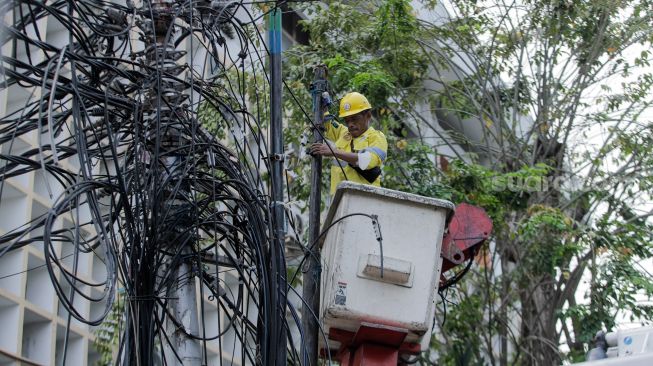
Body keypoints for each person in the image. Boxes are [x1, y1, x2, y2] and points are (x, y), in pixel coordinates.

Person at [310, 92, 388, 195]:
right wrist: (322, 105)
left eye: (355, 119)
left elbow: (366, 160)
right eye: (347, 120)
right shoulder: (344, 133)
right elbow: (326, 123)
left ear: (368, 116)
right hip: (339, 198)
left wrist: (334, 151)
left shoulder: (376, 137)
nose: (350, 124)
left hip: (364, 199)